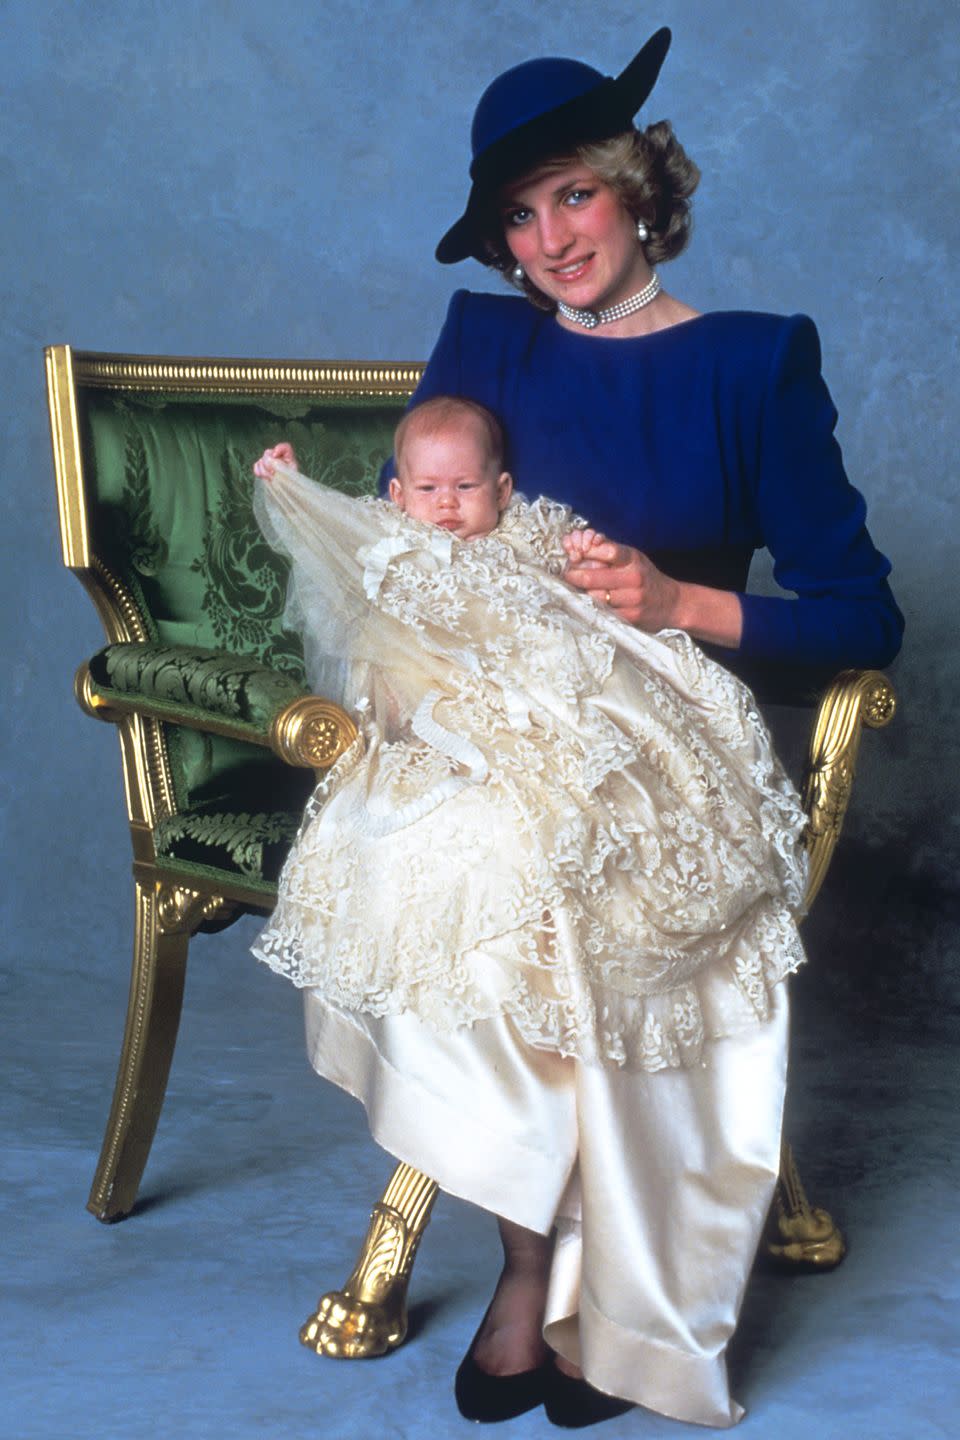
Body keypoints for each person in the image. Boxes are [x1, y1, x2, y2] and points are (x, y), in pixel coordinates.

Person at [254, 24, 903, 1427]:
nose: (550, 240)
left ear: (640, 189)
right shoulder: (487, 340)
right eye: (520, 215)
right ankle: (530, 1264)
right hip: (488, 720)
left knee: (562, 881)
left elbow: (862, 618)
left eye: (575, 198)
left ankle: (613, 1297)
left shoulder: (754, 362)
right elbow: (406, 551)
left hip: (662, 737)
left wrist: (678, 600)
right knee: (457, 871)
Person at [252, 393, 810, 1429]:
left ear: (502, 490)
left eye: (468, 488)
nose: (449, 505)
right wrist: (287, 483)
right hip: (442, 750)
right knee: (467, 893)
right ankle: (528, 1257)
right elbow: (349, 567)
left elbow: (585, 612)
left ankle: (620, 1298)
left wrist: (598, 576)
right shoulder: (396, 549)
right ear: (397, 494)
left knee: (602, 884)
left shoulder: (533, 533)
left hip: (567, 736)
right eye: (428, 489)